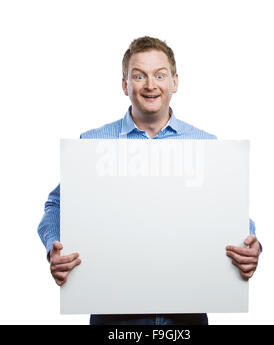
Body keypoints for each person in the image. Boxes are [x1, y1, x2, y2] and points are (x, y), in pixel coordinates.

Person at [38, 36, 261, 325]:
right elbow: (56, 205)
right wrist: (55, 247)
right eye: (139, 75)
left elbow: (228, 209)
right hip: (113, 314)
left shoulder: (205, 145)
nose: (150, 85)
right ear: (124, 85)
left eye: (160, 75)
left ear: (175, 82)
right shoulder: (92, 144)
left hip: (187, 314)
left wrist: (252, 244)